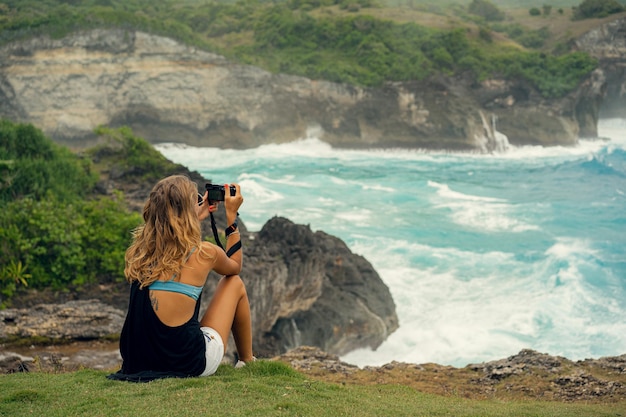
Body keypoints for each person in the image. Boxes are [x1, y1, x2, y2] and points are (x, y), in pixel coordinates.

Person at [108, 174, 254, 382]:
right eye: (194, 200)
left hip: (138, 362)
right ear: (186, 212)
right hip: (187, 363)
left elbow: (175, 239)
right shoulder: (204, 253)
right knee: (233, 283)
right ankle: (247, 360)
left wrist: (194, 213)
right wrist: (232, 217)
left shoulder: (141, 253)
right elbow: (234, 267)